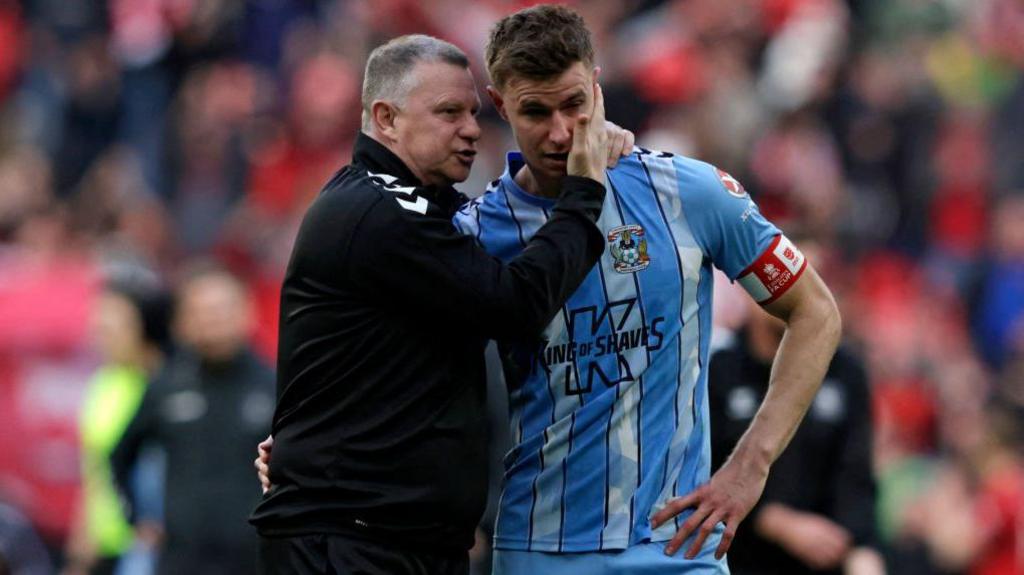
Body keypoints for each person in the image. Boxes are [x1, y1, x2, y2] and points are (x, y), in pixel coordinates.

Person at [257, 7, 840, 573]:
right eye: (536, 112)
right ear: (500, 104)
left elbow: (813, 312)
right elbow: (383, 355)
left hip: (678, 547)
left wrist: (750, 465)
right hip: (539, 548)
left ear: (598, 87)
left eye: (575, 106)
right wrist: (306, 441)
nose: (561, 133)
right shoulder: (472, 232)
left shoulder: (689, 193)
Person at [249, 34, 619, 575]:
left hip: (394, 537)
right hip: (350, 541)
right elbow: (515, 305)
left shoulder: (424, 211)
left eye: (472, 111)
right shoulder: (380, 213)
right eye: (448, 112)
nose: (471, 128)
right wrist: (584, 191)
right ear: (386, 118)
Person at [111, 262, 275, 575]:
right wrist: (135, 519)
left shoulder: (277, 385)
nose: (213, 320)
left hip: (256, 557)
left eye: (222, 309)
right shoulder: (166, 386)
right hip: (182, 558)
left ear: (247, 311)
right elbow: (119, 455)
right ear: (183, 321)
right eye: (201, 310)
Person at [709, 293, 885, 574]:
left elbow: (855, 476)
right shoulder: (718, 370)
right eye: (782, 283)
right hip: (738, 556)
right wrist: (773, 520)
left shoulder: (845, 371)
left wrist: (862, 546)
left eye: (806, 282)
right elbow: (704, 475)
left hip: (826, 556)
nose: (797, 295)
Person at [65, 273, 170, 575]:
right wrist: (80, 547)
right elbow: (94, 469)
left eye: (112, 326)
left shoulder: (167, 386)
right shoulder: (103, 382)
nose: (101, 334)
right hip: (105, 546)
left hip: (149, 547)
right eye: (98, 326)